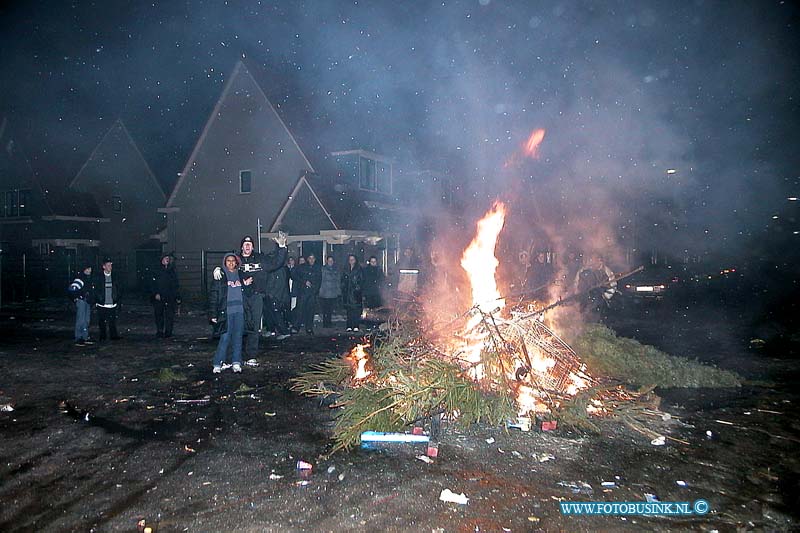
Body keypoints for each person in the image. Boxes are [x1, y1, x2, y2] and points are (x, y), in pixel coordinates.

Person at [213, 232, 288, 357]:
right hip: (239, 297)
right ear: (242, 247)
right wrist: (218, 269)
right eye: (245, 244)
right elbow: (227, 268)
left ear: (253, 247)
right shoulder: (236, 259)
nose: (247, 246)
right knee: (236, 325)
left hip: (256, 296)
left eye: (250, 244)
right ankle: (234, 355)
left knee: (254, 326)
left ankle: (251, 355)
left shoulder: (261, 258)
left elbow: (276, 263)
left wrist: (282, 247)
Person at [209, 253, 252, 373]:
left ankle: (236, 362)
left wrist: (247, 285)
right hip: (226, 312)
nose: (231, 263)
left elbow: (248, 294)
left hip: (240, 311)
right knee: (225, 337)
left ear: (237, 263)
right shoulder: (220, 276)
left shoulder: (241, 275)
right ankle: (218, 363)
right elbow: (214, 296)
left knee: (238, 337)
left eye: (233, 260)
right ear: (224, 262)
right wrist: (213, 314)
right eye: (228, 260)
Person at [151, 253, 180, 338]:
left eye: (168, 258)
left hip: (170, 296)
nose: (167, 260)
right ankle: (160, 330)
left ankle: (168, 331)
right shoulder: (157, 270)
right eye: (165, 258)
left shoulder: (172, 271)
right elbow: (152, 283)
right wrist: (155, 293)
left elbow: (175, 284)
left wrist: (177, 296)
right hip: (159, 296)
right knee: (159, 314)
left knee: (169, 315)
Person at [93, 257, 122, 341]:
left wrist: (117, 298)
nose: (110, 267)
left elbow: (119, 288)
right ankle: (103, 336)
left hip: (112, 303)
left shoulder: (115, 276)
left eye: (111, 265)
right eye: (108, 265)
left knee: (112, 321)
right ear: (104, 267)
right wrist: (98, 299)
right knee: (102, 321)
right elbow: (96, 289)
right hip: (102, 303)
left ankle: (114, 335)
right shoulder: (99, 277)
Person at [294, 253, 322, 334]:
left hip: (312, 293)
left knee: (310, 311)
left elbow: (319, 280)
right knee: (299, 310)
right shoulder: (302, 267)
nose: (311, 260)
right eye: (310, 258)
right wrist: (304, 282)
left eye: (313, 258)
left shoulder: (317, 268)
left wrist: (315, 290)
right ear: (307, 259)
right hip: (303, 292)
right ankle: (296, 327)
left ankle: (309, 328)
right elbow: (294, 276)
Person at [68, 263, 94, 345]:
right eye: (88, 269)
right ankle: (79, 337)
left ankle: (85, 336)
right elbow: (72, 289)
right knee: (81, 319)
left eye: (90, 269)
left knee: (86, 320)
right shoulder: (80, 278)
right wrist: (76, 298)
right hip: (82, 301)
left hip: (87, 301)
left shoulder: (88, 278)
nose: (89, 270)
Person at [341, 254, 363, 332]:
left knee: (356, 310)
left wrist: (358, 287)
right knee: (349, 310)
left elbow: (362, 280)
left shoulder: (359, 269)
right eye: (350, 259)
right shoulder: (345, 269)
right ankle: (349, 325)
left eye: (353, 259)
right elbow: (342, 279)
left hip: (355, 293)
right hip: (347, 293)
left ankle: (356, 325)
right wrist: (344, 287)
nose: (351, 261)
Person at [319, 255, 341, 328]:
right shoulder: (323, 269)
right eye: (329, 260)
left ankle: (329, 322)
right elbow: (321, 280)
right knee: (326, 309)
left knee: (330, 309)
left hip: (333, 292)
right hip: (325, 292)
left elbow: (338, 281)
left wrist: (338, 291)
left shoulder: (336, 269)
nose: (330, 262)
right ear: (327, 261)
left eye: (331, 261)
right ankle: (326, 323)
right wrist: (321, 291)